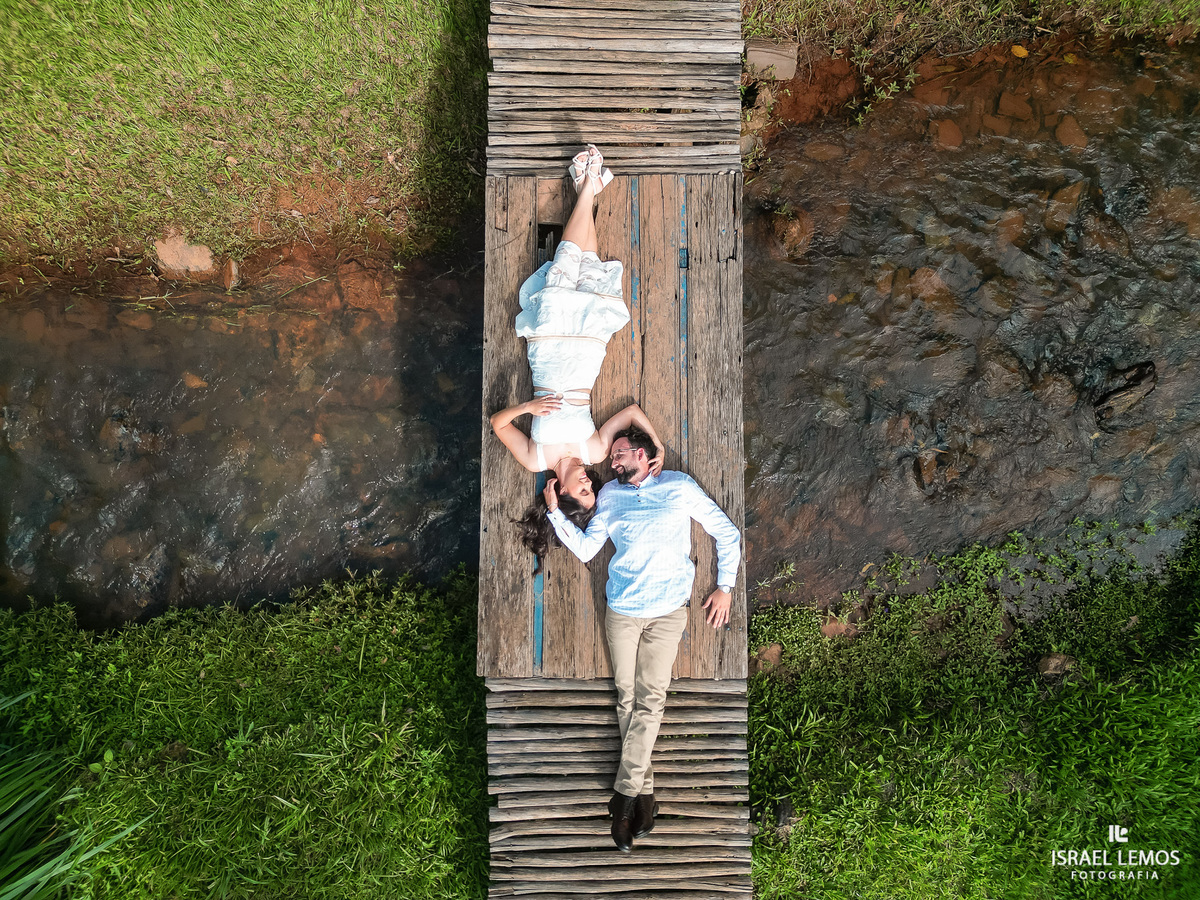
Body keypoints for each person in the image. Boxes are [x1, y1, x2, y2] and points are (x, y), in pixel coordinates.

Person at [542, 425, 741, 852]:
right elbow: (586, 550)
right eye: (613, 457)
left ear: (646, 456)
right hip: (623, 611)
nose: (611, 463)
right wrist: (555, 512)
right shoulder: (610, 497)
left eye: (620, 455)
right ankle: (644, 795)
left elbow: (726, 532)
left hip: (668, 611)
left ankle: (624, 799)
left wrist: (726, 585)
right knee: (626, 699)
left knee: (650, 699)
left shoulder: (679, 487)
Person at [489, 145, 664, 567]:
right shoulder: (594, 452)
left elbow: (498, 424)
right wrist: (656, 441)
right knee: (589, 273)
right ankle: (588, 184)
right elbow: (631, 411)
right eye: (592, 489)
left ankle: (588, 186)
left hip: (548, 350)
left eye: (583, 490)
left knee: (564, 268)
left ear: (561, 492)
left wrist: (530, 406)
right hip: (586, 350)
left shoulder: (537, 457)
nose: (590, 482)